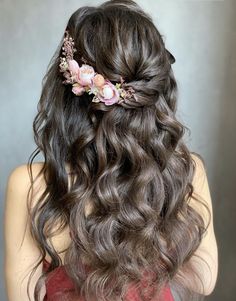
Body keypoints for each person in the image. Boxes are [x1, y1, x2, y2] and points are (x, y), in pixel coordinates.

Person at [3, 0, 218, 300]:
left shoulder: (30, 185)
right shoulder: (185, 172)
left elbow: (22, 297)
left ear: (65, 91)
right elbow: (205, 280)